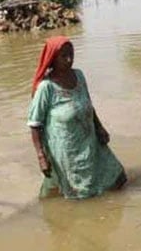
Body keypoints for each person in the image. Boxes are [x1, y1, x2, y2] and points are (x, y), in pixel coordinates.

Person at [27, 36, 126, 199]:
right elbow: (34, 124)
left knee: (117, 179)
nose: (69, 59)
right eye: (64, 56)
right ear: (53, 59)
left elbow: (88, 104)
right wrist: (41, 156)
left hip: (90, 140)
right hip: (67, 148)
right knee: (81, 193)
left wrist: (100, 127)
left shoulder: (79, 76)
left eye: (71, 54)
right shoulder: (46, 87)